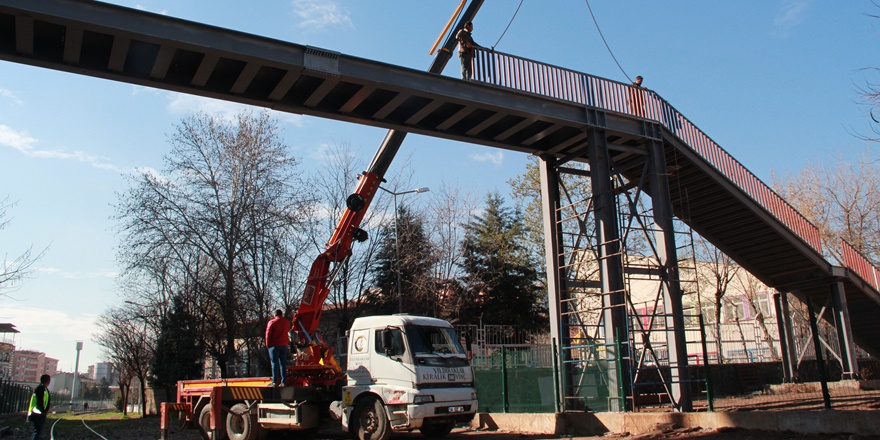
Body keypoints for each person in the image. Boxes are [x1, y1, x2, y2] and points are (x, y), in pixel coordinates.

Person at [265, 309, 291, 387]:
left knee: (274, 363)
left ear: (275, 315)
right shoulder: (287, 322)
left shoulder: (272, 322)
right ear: (281, 314)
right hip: (284, 345)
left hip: (274, 345)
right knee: (283, 364)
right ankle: (283, 382)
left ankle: (274, 382)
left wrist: (267, 344)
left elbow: (268, 334)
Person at [27, 374, 51, 440]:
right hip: (38, 413)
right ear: (47, 381)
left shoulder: (42, 389)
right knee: (38, 431)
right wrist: (43, 411)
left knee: (37, 431)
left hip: (37, 413)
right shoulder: (41, 389)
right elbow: (40, 401)